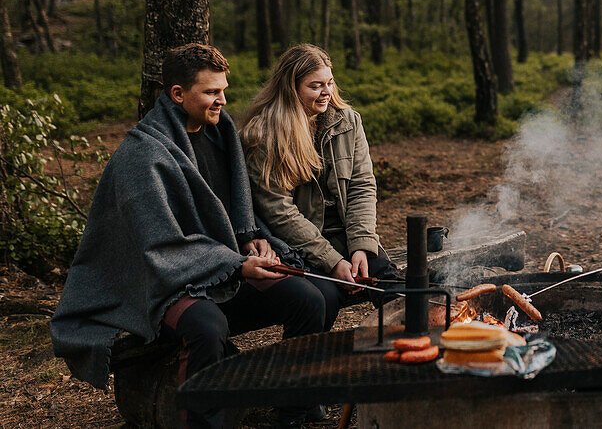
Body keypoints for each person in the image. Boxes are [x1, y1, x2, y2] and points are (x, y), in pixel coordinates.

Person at [50, 44, 328, 428]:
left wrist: (251, 237)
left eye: (224, 89)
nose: (222, 100)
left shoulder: (221, 132)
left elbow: (234, 210)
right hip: (163, 284)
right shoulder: (142, 154)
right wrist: (238, 264)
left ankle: (293, 413)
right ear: (178, 94)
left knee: (307, 299)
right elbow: (160, 247)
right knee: (207, 329)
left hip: (221, 267)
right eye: (211, 92)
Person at [240, 44, 398, 330]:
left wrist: (361, 246)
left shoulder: (348, 122)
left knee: (392, 284)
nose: (326, 91)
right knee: (324, 298)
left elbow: (362, 186)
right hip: (296, 246)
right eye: (315, 86)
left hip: (347, 235)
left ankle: (410, 353)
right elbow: (279, 212)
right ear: (291, 87)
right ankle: (302, 365)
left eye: (329, 83)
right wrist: (334, 262)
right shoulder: (265, 134)